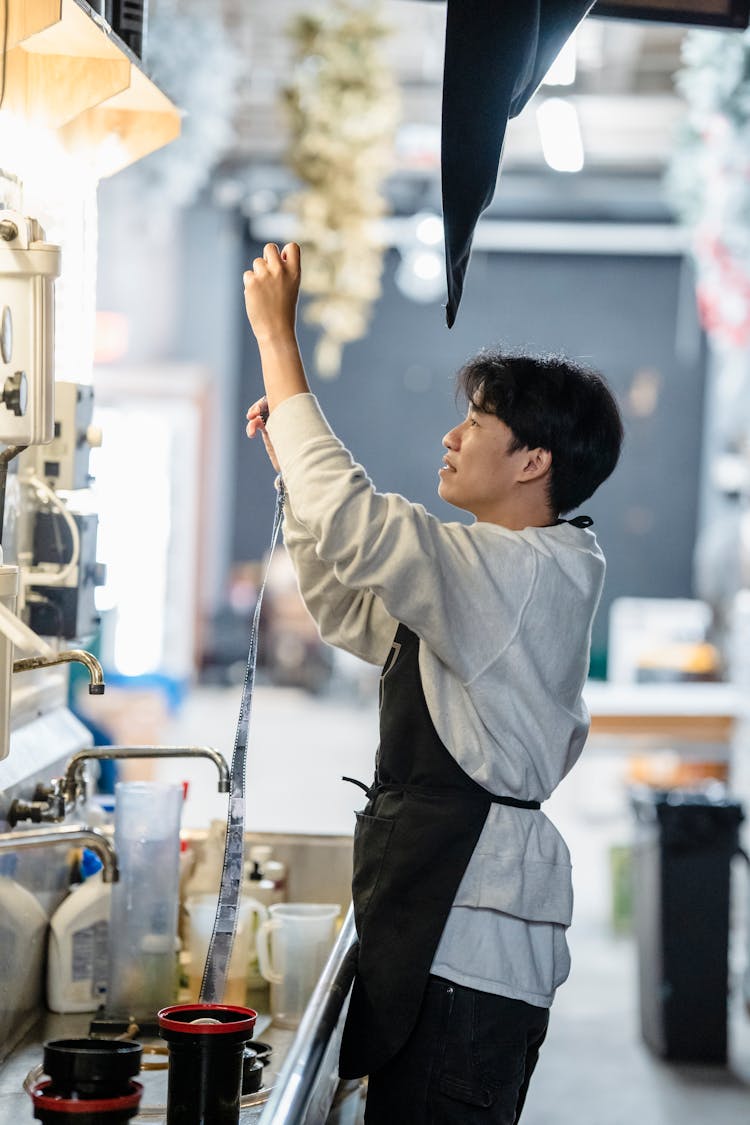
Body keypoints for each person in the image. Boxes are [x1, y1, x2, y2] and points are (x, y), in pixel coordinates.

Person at [243, 241, 624, 1124]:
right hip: (445, 935)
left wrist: (278, 341)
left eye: (478, 421)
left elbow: (363, 527)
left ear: (532, 460)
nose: (451, 437)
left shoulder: (523, 574)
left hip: (471, 965)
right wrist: (297, 483)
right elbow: (352, 607)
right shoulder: (493, 578)